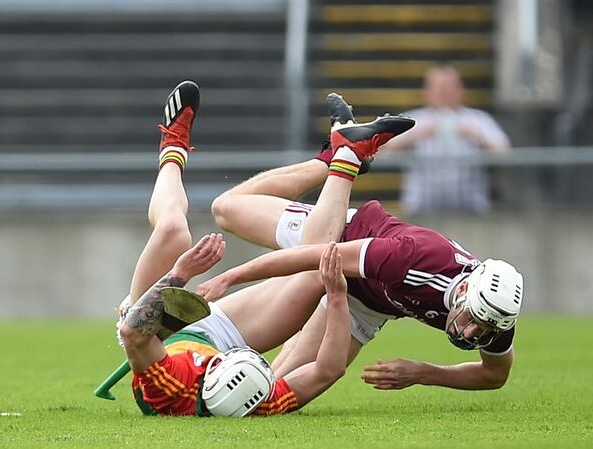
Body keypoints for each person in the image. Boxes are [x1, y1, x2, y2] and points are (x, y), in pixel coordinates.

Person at [116, 81, 412, 416]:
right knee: (319, 265)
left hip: (150, 332)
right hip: (217, 338)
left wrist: (180, 274)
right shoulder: (262, 399)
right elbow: (328, 370)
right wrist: (337, 294)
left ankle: (173, 147)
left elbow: (133, 333)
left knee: (173, 232)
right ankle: (342, 155)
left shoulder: (169, 384)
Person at [201, 93, 524, 391]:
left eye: (480, 329)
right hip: (346, 236)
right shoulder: (414, 259)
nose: (470, 333)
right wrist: (230, 277)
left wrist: (422, 373)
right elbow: (315, 257)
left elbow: (494, 374)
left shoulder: (495, 312)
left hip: (366, 307)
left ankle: (343, 153)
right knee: (226, 210)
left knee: (273, 390)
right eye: (472, 320)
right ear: (465, 290)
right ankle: (340, 160)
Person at [381, 63, 511, 214]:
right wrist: (412, 136)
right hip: (421, 211)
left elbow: (504, 154)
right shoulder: (412, 120)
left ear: (460, 90)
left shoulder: (478, 120)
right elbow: (383, 152)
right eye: (439, 88)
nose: (445, 92)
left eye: (450, 87)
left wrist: (478, 137)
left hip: (471, 210)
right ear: (427, 92)